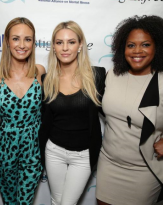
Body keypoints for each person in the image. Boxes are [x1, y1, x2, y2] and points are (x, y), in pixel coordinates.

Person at [96, 15, 163, 205]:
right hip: (108, 164)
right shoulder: (113, 75)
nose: (137, 51)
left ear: (157, 47)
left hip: (143, 171)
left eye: (145, 44)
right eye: (130, 45)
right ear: (122, 48)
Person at [39, 21, 105, 205]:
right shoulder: (47, 80)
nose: (65, 48)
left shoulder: (97, 76)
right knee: (56, 200)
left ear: (80, 45)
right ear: (53, 46)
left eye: (71, 42)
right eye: (59, 42)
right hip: (54, 151)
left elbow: (111, 111)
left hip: (83, 155)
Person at [0, 17, 45, 205]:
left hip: (33, 145)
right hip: (5, 146)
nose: (22, 45)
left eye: (27, 39)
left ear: (33, 43)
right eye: (16, 38)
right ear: (6, 41)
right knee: (10, 201)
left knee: (25, 201)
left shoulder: (39, 71)